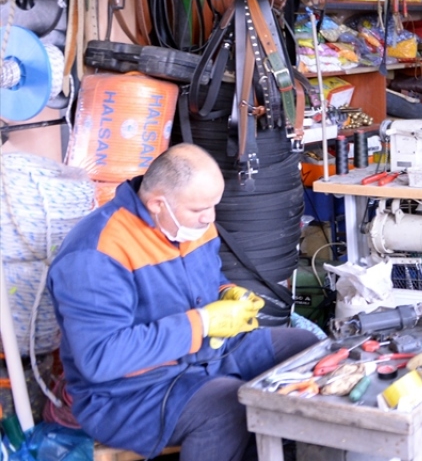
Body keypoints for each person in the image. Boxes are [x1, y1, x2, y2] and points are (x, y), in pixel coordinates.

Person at [47, 144, 317, 461]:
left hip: (208, 355)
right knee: (226, 406)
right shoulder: (96, 254)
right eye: (200, 209)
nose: (210, 217)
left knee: (304, 348)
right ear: (158, 204)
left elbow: (207, 279)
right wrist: (202, 323)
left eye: (214, 205)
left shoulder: (190, 221)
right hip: (128, 393)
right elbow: (101, 358)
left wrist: (228, 293)